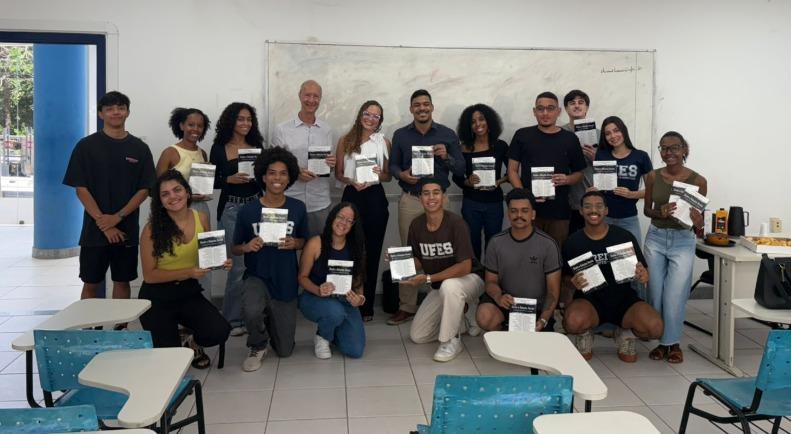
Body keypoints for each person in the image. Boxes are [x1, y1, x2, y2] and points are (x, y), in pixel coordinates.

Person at [63, 91, 155, 300]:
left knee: (122, 282)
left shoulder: (140, 148)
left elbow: (144, 190)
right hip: (94, 231)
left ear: (128, 112)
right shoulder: (85, 146)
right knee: (91, 283)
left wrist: (117, 218)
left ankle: (118, 331)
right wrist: (105, 223)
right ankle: (89, 330)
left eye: (120, 108)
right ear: (101, 114)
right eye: (110, 108)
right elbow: (80, 188)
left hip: (126, 229)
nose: (116, 112)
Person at [138, 170, 231, 368]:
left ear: (187, 192)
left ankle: (192, 342)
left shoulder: (202, 218)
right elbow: (150, 276)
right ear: (160, 201)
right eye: (165, 194)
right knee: (170, 360)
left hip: (188, 291)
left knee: (219, 330)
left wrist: (221, 262)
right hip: (156, 296)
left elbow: (207, 253)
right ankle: (175, 337)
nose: (173, 196)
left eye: (177, 190)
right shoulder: (151, 230)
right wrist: (188, 272)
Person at [387, 89, 465, 325]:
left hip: (440, 199)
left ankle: (447, 299)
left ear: (432, 107)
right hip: (411, 198)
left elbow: (460, 169)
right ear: (411, 109)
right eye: (417, 105)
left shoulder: (447, 134)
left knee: (445, 250)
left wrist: (447, 157)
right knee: (407, 252)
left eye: (426, 104)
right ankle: (406, 306)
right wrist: (402, 174)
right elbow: (393, 166)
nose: (422, 108)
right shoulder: (401, 135)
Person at [562, 191, 663, 363]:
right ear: (581, 211)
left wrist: (644, 275)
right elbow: (565, 277)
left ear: (606, 211)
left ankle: (625, 334)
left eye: (599, 206)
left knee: (655, 329)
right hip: (589, 301)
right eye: (588, 206)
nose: (593, 210)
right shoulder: (573, 241)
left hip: (624, 300)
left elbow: (643, 270)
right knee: (572, 323)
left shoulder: (623, 236)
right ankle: (585, 333)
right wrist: (572, 282)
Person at [232, 146, 307, 372]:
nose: (277, 178)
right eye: (272, 173)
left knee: (285, 351)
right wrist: (246, 246)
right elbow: (235, 248)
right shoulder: (248, 211)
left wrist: (295, 243)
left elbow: (305, 240)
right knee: (252, 310)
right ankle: (258, 343)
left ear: (290, 178)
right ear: (263, 176)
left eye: (283, 173)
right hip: (257, 276)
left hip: (285, 279)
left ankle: (273, 324)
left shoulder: (298, 208)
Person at [400, 177, 484, 362]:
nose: (431, 197)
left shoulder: (456, 223)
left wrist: (429, 279)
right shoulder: (416, 225)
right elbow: (419, 260)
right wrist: (399, 262)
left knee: (449, 286)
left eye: (436, 193)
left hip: (470, 280)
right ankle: (462, 316)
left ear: (444, 197)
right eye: (426, 193)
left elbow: (465, 266)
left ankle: (451, 340)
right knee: (418, 336)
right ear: (420, 198)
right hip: (441, 285)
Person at [643, 131, 707, 364]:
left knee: (675, 295)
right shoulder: (652, 176)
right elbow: (646, 210)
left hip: (682, 239)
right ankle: (662, 340)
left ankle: (673, 343)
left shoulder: (699, 181)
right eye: (664, 148)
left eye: (674, 148)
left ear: (684, 150)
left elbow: (698, 221)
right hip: (656, 238)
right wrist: (658, 212)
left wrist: (699, 223)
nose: (669, 153)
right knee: (656, 293)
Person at [209, 102, 265, 337]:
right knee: (238, 266)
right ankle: (232, 318)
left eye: (249, 119)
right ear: (230, 121)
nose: (245, 123)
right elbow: (208, 181)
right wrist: (228, 181)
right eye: (240, 119)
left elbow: (265, 176)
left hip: (255, 206)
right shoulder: (219, 148)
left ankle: (254, 312)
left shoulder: (257, 145)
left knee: (258, 262)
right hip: (231, 209)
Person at [334, 100, 392, 321]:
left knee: (372, 251)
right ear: (360, 115)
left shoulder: (384, 142)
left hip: (375, 198)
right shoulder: (345, 140)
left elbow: (388, 176)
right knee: (349, 250)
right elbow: (338, 173)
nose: (371, 118)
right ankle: (346, 299)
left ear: (380, 120)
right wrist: (352, 180)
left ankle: (365, 305)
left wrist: (377, 175)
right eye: (368, 114)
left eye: (376, 116)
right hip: (352, 196)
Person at [507, 91, 586, 249]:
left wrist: (567, 179)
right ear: (534, 111)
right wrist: (525, 198)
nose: (545, 113)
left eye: (550, 108)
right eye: (540, 109)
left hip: (560, 211)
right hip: (528, 212)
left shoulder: (570, 139)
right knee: (527, 254)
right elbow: (512, 171)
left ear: (558, 111)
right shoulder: (522, 135)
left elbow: (579, 174)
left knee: (556, 256)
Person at [475, 188, 561, 332]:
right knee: (485, 316)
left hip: (537, 308)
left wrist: (544, 319)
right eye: (514, 211)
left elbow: (553, 292)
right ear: (508, 214)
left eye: (524, 210)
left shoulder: (548, 244)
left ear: (533, 214)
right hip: (506, 304)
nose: (519, 215)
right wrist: (499, 297)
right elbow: (490, 282)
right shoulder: (496, 242)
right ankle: (504, 332)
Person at [298, 202, 367, 359]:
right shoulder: (316, 243)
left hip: (344, 300)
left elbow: (358, 282)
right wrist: (318, 290)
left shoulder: (356, 247)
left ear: (353, 225)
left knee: (355, 351)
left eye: (349, 221)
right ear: (332, 217)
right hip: (314, 297)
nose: (343, 223)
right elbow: (301, 278)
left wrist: (360, 300)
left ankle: (334, 328)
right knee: (335, 312)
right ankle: (322, 337)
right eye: (341, 217)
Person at [273, 79, 336, 237]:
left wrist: (332, 164)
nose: (311, 100)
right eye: (307, 95)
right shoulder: (282, 129)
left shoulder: (327, 130)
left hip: (320, 202)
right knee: (287, 250)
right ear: (300, 96)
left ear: (320, 100)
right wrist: (295, 172)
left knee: (318, 251)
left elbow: (329, 162)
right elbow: (274, 164)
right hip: (289, 200)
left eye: (316, 96)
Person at [453, 104, 509, 260]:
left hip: (494, 203)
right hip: (471, 203)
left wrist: (500, 181)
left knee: (493, 243)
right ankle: (475, 279)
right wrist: (467, 182)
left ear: (489, 121)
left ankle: (491, 279)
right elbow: (456, 176)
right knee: (471, 243)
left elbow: (512, 172)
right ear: (468, 126)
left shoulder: (500, 146)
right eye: (473, 121)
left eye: (481, 119)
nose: (478, 124)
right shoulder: (463, 148)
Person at [593, 116, 653, 246]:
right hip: (604, 217)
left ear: (623, 131)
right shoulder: (601, 155)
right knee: (605, 259)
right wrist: (593, 191)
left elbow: (651, 190)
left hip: (629, 218)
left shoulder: (641, 156)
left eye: (616, 130)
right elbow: (599, 187)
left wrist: (632, 194)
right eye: (608, 133)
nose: (613, 136)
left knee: (633, 260)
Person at [156, 107, 212, 217]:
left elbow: (202, 185)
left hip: (200, 208)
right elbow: (157, 187)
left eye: (200, 126)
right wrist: (188, 196)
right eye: (191, 125)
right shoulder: (170, 152)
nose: (195, 129)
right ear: (182, 126)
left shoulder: (203, 153)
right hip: (175, 208)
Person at [561, 90, 597, 236]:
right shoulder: (558, 133)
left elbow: (611, 169)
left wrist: (597, 159)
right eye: (572, 103)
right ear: (566, 108)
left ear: (587, 107)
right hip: (566, 200)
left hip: (592, 198)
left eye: (581, 102)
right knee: (569, 245)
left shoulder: (601, 134)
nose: (576, 106)